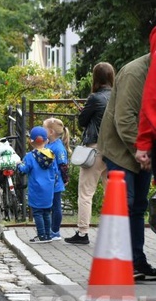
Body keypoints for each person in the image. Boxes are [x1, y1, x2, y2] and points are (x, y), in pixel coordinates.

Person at [100, 50, 155, 279]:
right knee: (126, 204)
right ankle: (119, 261)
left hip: (143, 149)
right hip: (121, 150)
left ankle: (137, 260)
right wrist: (141, 151)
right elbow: (124, 119)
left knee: (139, 205)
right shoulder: (135, 73)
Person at [65, 62, 114, 245]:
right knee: (113, 193)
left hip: (94, 149)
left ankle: (83, 232)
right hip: (113, 150)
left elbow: (83, 122)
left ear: (96, 78)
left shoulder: (95, 98)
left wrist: (84, 111)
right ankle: (114, 230)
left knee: (86, 193)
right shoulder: (116, 96)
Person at [17, 126, 57, 243]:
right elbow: (55, 171)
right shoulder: (51, 155)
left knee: (37, 212)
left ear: (31, 141)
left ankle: (41, 235)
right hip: (49, 188)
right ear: (46, 140)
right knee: (46, 212)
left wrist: (18, 164)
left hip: (36, 188)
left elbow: (24, 170)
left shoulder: (30, 156)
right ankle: (48, 235)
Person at [43, 117, 69, 241]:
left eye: (44, 128)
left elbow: (63, 165)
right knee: (50, 205)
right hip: (49, 181)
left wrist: (65, 179)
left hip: (55, 182)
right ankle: (49, 229)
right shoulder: (49, 144)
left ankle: (55, 231)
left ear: (51, 132)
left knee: (56, 206)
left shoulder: (58, 147)